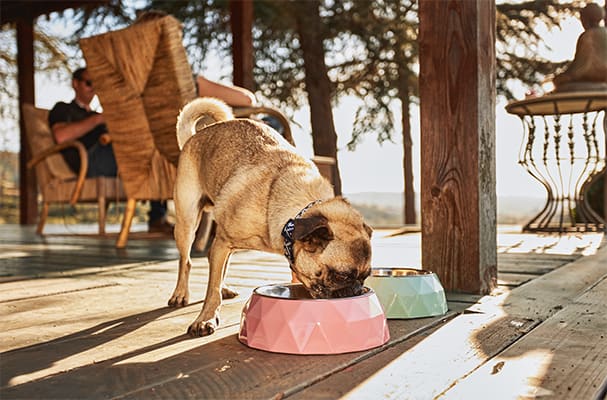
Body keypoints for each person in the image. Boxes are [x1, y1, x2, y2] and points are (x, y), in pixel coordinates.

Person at [48, 67, 173, 234]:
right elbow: (61, 136)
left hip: (112, 156)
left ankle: (160, 217)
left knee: (155, 149)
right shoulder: (63, 109)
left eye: (96, 84)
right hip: (90, 161)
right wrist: (99, 119)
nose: (94, 88)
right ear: (75, 84)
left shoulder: (98, 115)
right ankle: (159, 217)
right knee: (146, 149)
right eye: (89, 82)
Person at [552, 3, 607, 92]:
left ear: (586, 19)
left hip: (592, 79)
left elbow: (581, 66)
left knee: (561, 86)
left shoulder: (588, 36)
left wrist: (567, 75)